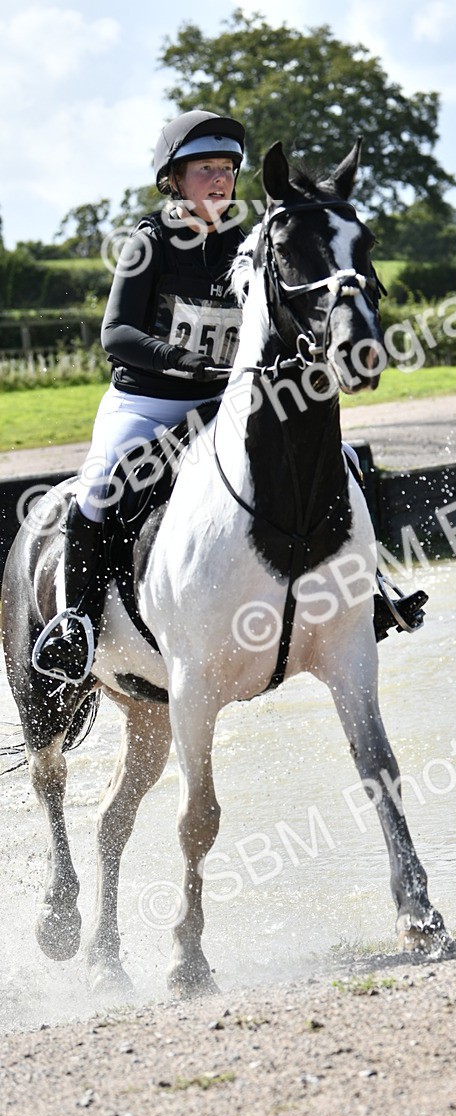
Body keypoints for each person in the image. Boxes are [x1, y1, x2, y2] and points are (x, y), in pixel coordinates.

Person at [33, 109, 248, 684]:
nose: (221, 179)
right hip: (147, 405)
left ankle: (367, 590)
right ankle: (75, 624)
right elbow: (117, 334)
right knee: (101, 487)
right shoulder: (147, 243)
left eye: (227, 168)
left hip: (225, 404)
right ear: (174, 179)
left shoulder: (245, 244)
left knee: (327, 458)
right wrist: (182, 361)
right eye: (206, 168)